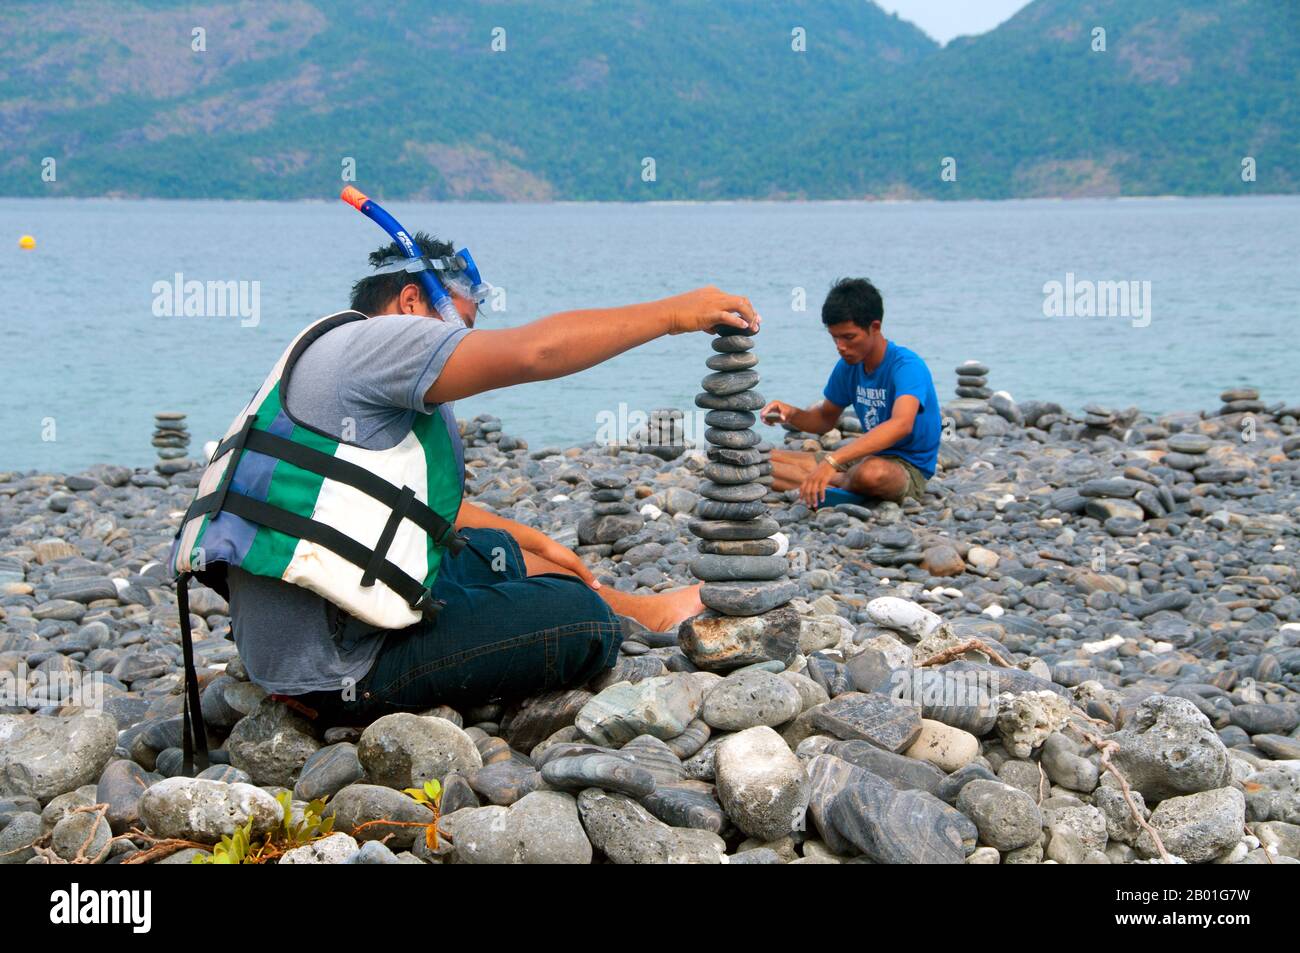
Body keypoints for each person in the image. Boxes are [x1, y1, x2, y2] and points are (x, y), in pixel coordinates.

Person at [175, 231, 759, 726]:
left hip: (306, 632)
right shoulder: (379, 345)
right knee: (580, 621)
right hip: (340, 670)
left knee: (514, 558)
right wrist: (675, 314)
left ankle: (639, 608)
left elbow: (395, 507)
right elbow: (535, 354)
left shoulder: (336, 351)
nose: (462, 345)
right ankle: (616, 614)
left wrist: (534, 542)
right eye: (457, 327)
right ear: (409, 302)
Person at [761, 277, 939, 507]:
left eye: (849, 337)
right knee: (759, 461)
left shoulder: (906, 366)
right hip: (862, 456)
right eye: (835, 337)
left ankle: (833, 481)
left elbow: (901, 424)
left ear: (875, 327)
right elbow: (825, 419)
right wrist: (791, 413)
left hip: (906, 466)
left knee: (871, 474)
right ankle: (835, 484)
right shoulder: (848, 366)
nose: (841, 346)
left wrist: (832, 461)